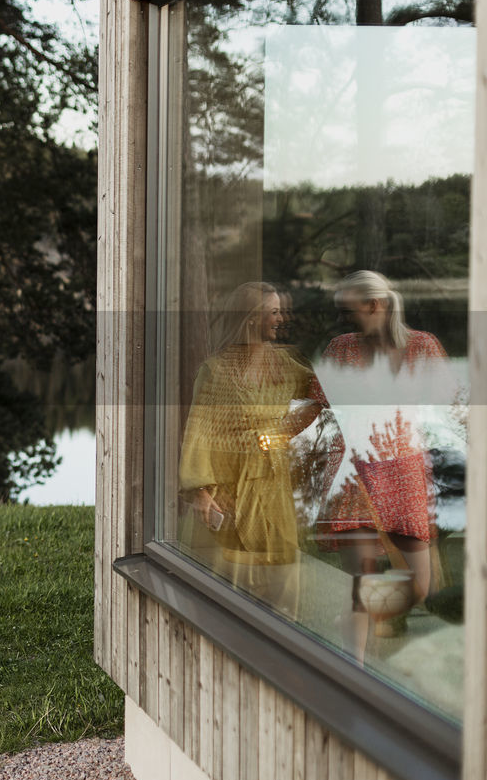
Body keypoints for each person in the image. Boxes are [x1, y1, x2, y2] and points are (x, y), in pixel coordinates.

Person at [318, 270, 457, 655]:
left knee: (421, 585)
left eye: (349, 312)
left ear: (374, 305)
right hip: (355, 471)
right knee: (360, 580)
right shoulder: (340, 348)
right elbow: (318, 404)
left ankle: (361, 617)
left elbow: (453, 404)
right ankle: (353, 669)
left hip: (406, 471)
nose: (343, 321)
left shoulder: (423, 347)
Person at [179, 282, 328, 617]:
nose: (281, 318)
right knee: (228, 577)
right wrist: (201, 492)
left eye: (280, 311)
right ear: (250, 318)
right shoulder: (215, 371)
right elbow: (198, 432)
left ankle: (281, 640)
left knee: (280, 573)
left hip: (272, 482)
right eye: (273, 312)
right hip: (228, 482)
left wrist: (284, 431)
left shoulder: (287, 366)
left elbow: (324, 395)